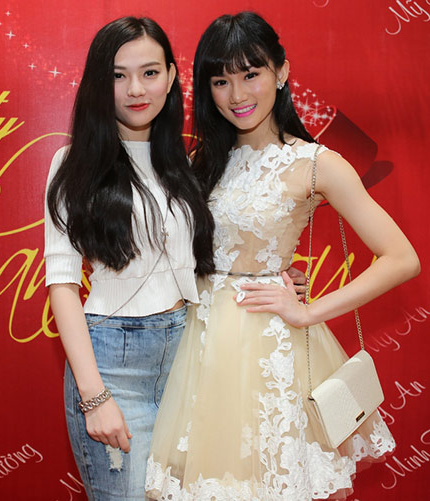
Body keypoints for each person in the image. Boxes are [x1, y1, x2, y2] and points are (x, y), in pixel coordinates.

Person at [145, 11, 420, 500]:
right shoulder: (200, 161)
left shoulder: (317, 164)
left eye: (251, 74)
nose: (237, 94)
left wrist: (310, 311)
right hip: (197, 343)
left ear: (282, 71)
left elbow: (402, 258)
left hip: (268, 347)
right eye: (221, 81)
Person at [44, 16, 215, 501]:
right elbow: (62, 284)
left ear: (172, 76)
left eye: (150, 72)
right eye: (118, 75)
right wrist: (94, 396)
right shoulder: (73, 164)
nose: (136, 89)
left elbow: (204, 264)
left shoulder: (189, 163)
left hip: (190, 356)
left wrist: (272, 276)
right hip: (112, 365)